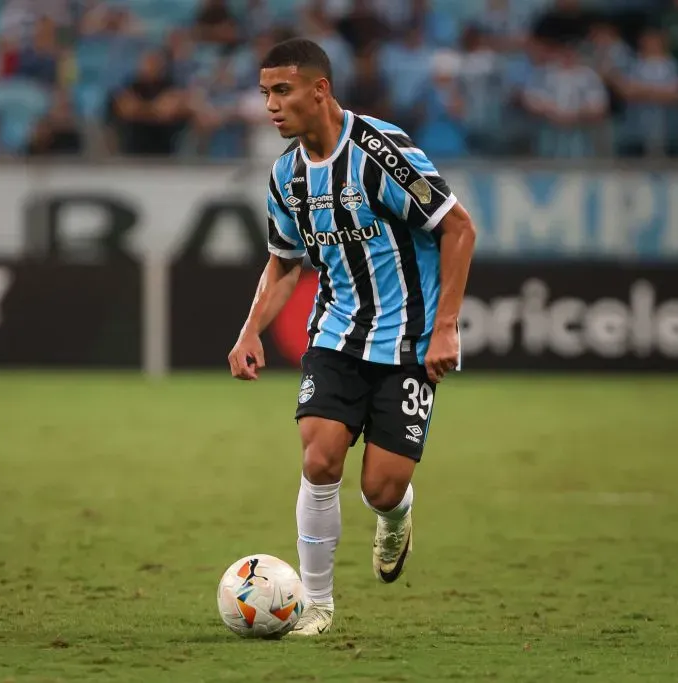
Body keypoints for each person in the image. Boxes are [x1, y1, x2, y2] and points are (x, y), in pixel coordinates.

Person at [227, 38, 477, 636]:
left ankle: (396, 517)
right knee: (319, 460)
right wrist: (250, 331)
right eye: (264, 93)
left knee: (382, 487)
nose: (271, 106)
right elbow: (285, 261)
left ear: (320, 89)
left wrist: (446, 328)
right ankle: (316, 607)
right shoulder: (285, 175)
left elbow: (459, 229)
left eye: (282, 91)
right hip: (337, 335)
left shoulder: (380, 151)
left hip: (411, 344)